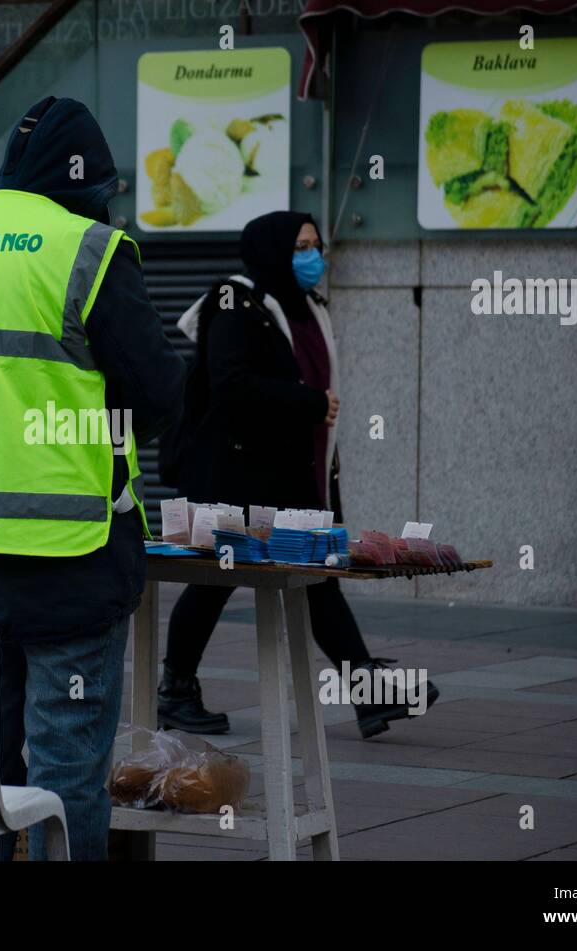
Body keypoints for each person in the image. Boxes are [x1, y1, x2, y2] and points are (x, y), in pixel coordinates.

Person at [0, 96, 186, 860]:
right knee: (64, 772)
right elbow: (158, 396)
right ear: (86, 184)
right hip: (71, 554)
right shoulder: (88, 248)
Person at [157, 210, 437, 739]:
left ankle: (366, 693)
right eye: (300, 246)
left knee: (317, 580)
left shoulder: (307, 307)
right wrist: (309, 403)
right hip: (232, 475)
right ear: (271, 250)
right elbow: (230, 384)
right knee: (214, 583)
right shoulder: (234, 302)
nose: (313, 256)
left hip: (293, 472)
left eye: (315, 245)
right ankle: (175, 691)